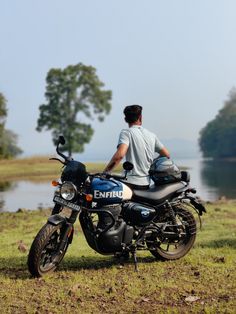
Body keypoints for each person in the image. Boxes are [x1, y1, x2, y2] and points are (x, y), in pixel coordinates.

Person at [104, 105, 170, 189]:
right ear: (140, 117)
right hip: (146, 183)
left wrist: (105, 173)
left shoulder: (126, 133)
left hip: (129, 182)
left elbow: (120, 155)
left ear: (125, 119)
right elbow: (166, 154)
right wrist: (151, 162)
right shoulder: (151, 135)